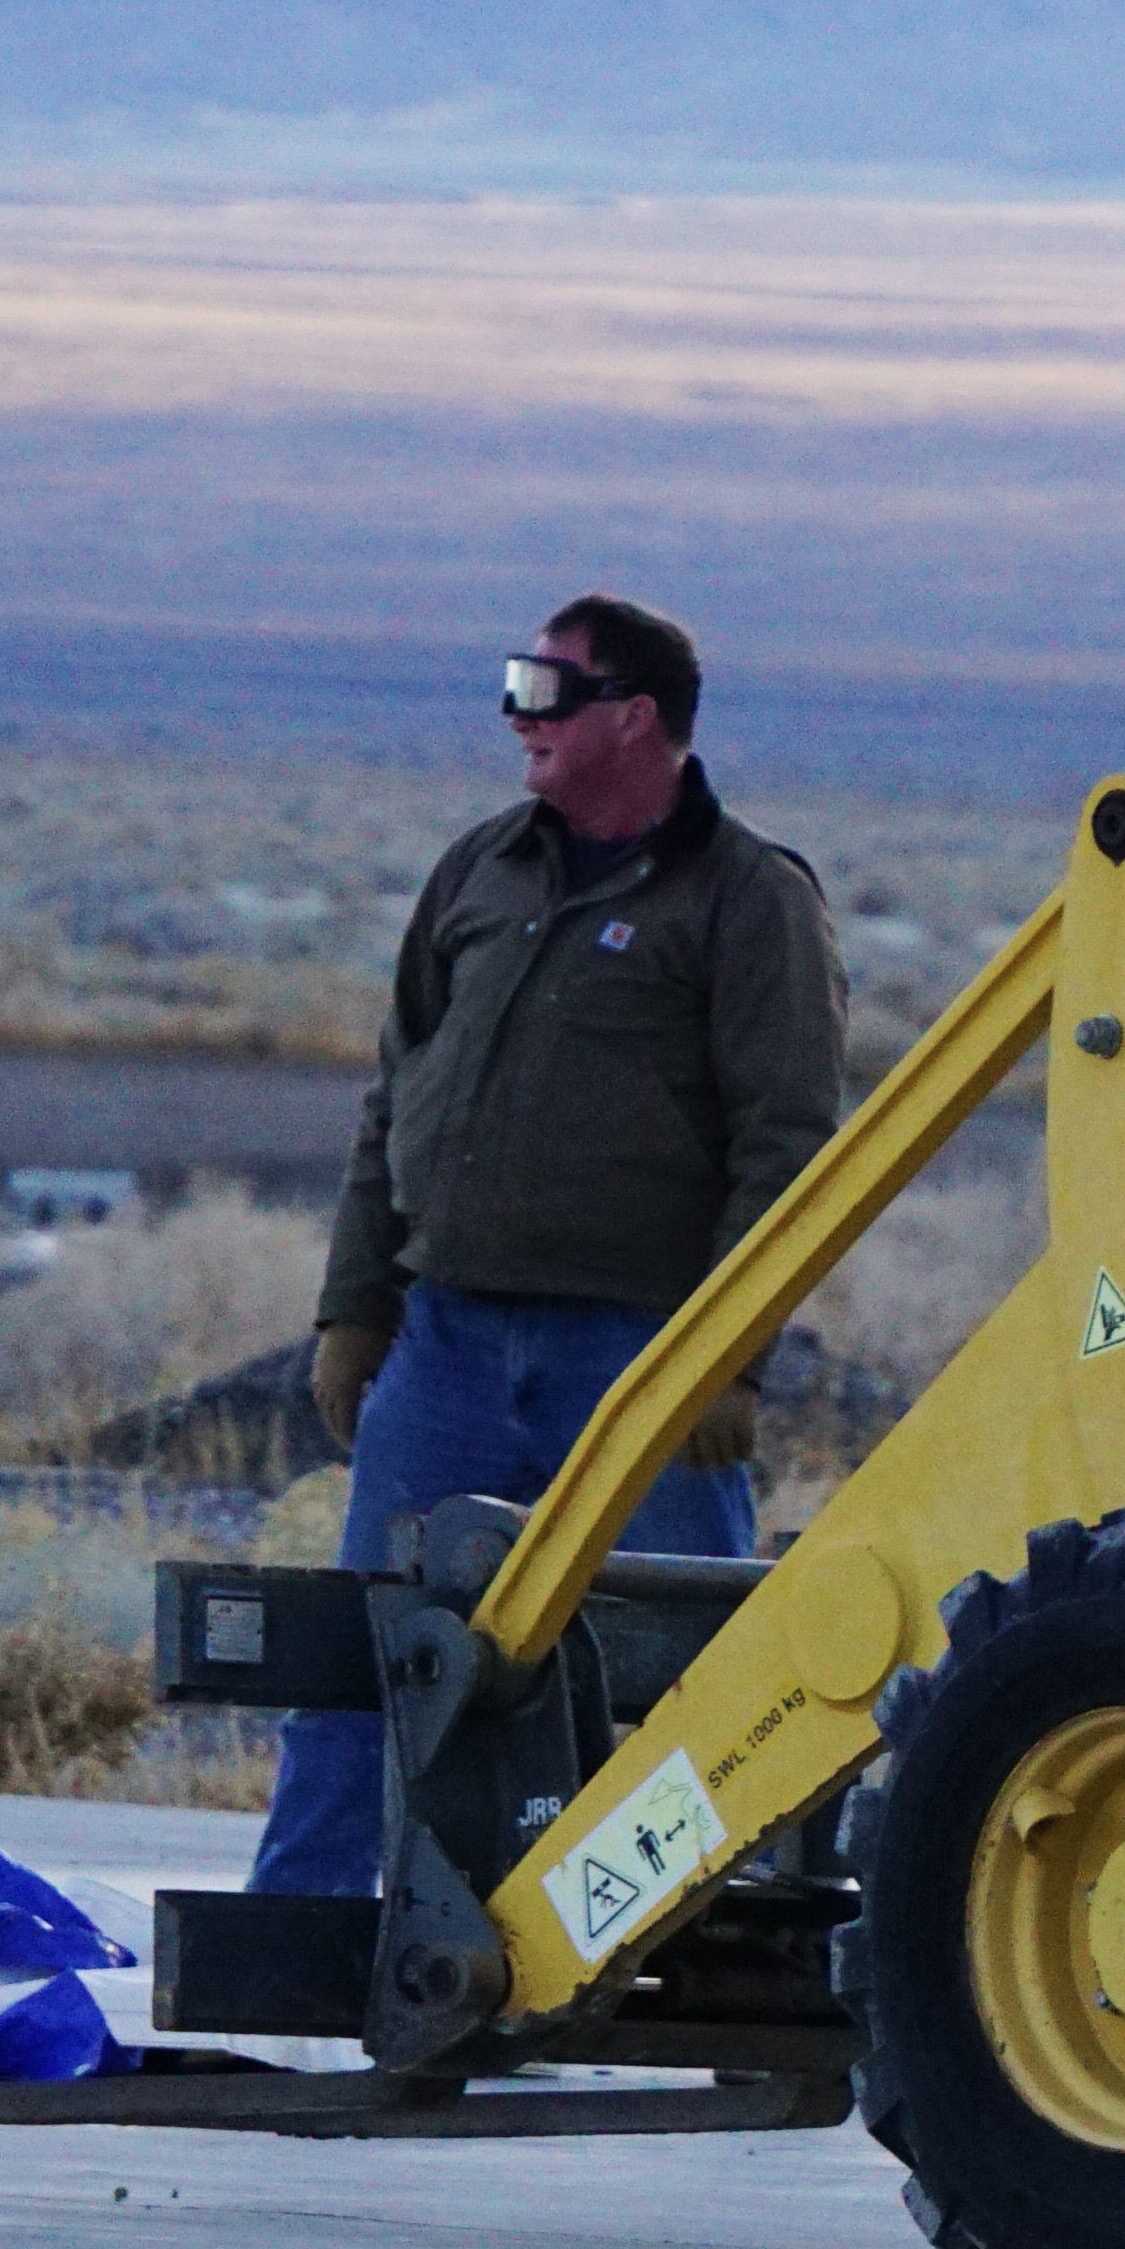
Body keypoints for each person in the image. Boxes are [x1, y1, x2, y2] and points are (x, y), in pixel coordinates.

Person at [250, 593, 848, 1897]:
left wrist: (725, 1364)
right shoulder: (482, 868)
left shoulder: (749, 899)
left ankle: (711, 1953)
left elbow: (790, 1150)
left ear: (635, 718)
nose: (516, 714)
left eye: (546, 687)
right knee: (368, 1661)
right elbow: (394, 1095)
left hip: (641, 1366)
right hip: (447, 1346)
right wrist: (357, 1308)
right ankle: (291, 1949)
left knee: (698, 1687)